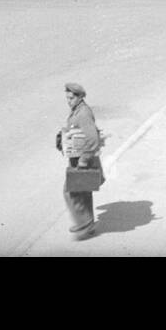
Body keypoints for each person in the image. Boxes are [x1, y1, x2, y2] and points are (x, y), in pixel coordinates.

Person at [57, 82, 104, 239]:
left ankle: (84, 226)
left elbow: (92, 139)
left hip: (83, 160)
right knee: (83, 192)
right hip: (79, 157)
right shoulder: (77, 110)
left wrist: (83, 161)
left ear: (79, 97)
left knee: (71, 192)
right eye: (67, 98)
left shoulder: (83, 113)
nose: (68, 101)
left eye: (71, 98)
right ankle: (88, 225)